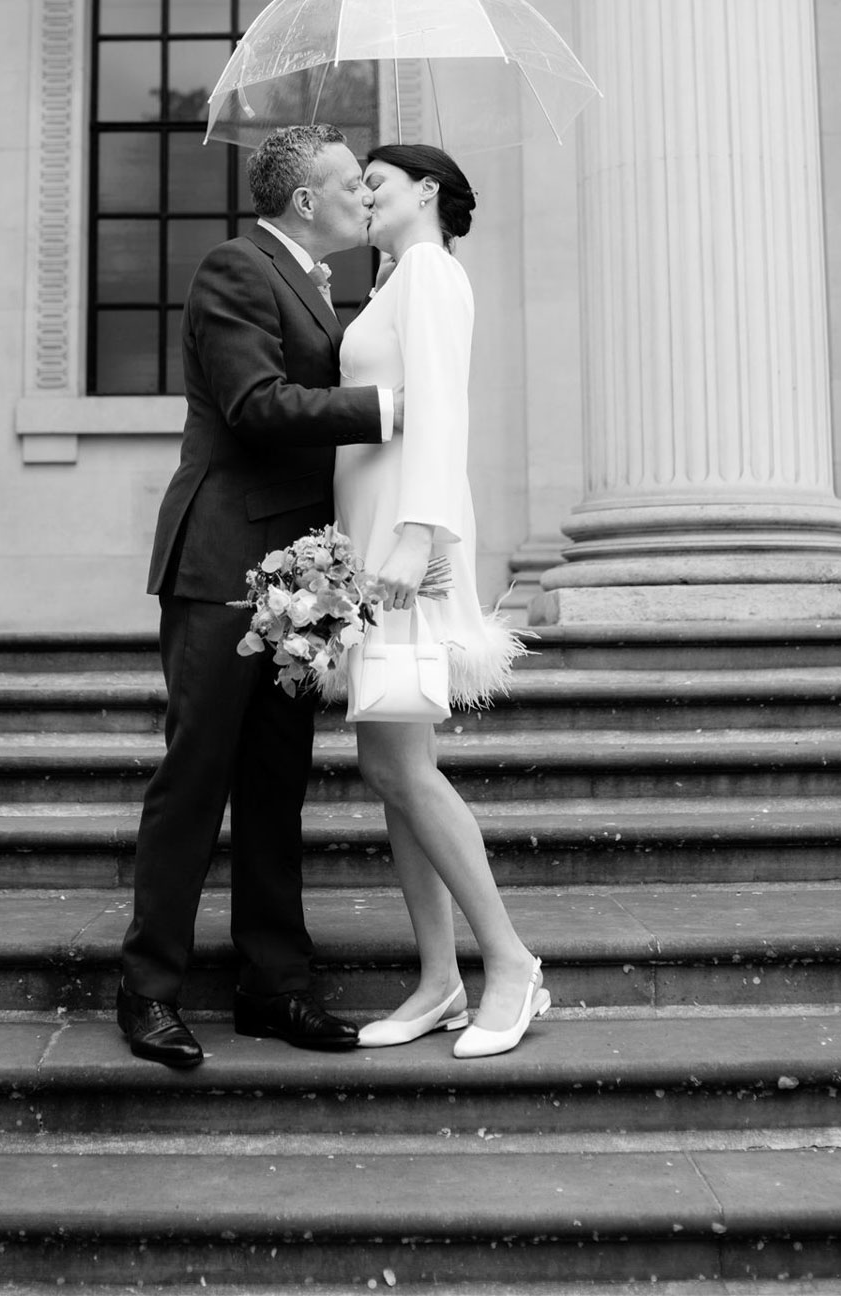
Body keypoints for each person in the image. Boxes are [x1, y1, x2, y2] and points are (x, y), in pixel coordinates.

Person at [118, 124, 400, 1069]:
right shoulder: (236, 269)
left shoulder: (324, 285)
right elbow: (255, 406)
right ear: (305, 201)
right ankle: (148, 991)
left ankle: (274, 989)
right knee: (196, 779)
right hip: (224, 561)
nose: (368, 194)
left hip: (301, 570)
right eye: (354, 182)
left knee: (278, 788)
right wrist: (388, 408)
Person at [334, 143, 548, 1060]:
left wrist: (416, 537)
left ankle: (510, 963)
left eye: (376, 184)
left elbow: (444, 410)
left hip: (402, 550)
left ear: (427, 192)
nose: (364, 199)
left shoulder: (427, 268)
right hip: (377, 542)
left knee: (403, 768)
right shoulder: (396, 282)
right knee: (391, 767)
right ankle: (437, 977)